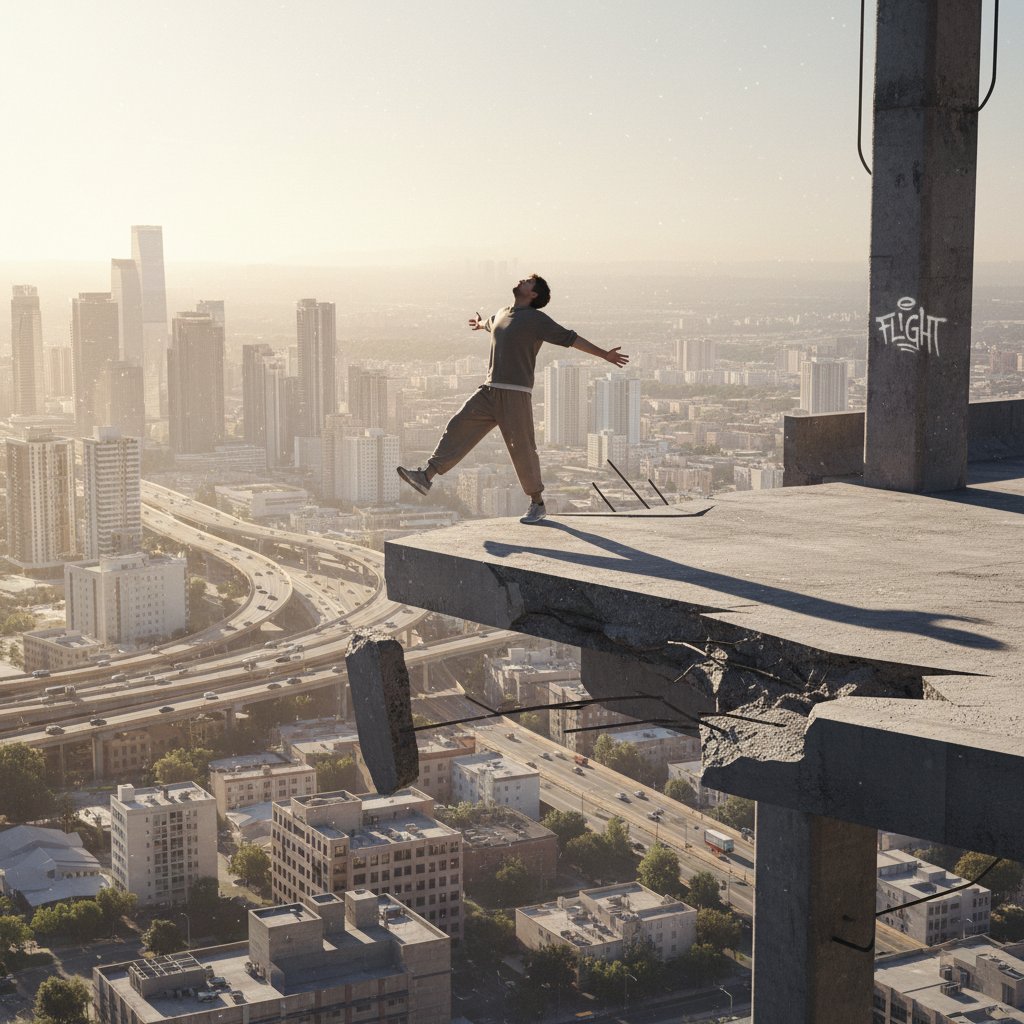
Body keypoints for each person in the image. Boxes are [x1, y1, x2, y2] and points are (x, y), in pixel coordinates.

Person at [397, 274, 629, 524]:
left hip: (515, 393)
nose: (522, 281)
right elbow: (491, 322)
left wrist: (604, 354)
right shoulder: (502, 312)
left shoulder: (536, 320)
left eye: (528, 282)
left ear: (534, 294)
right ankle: (426, 476)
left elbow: (571, 339)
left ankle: (537, 503)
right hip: (489, 390)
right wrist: (479, 323)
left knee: (522, 449)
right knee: (458, 425)